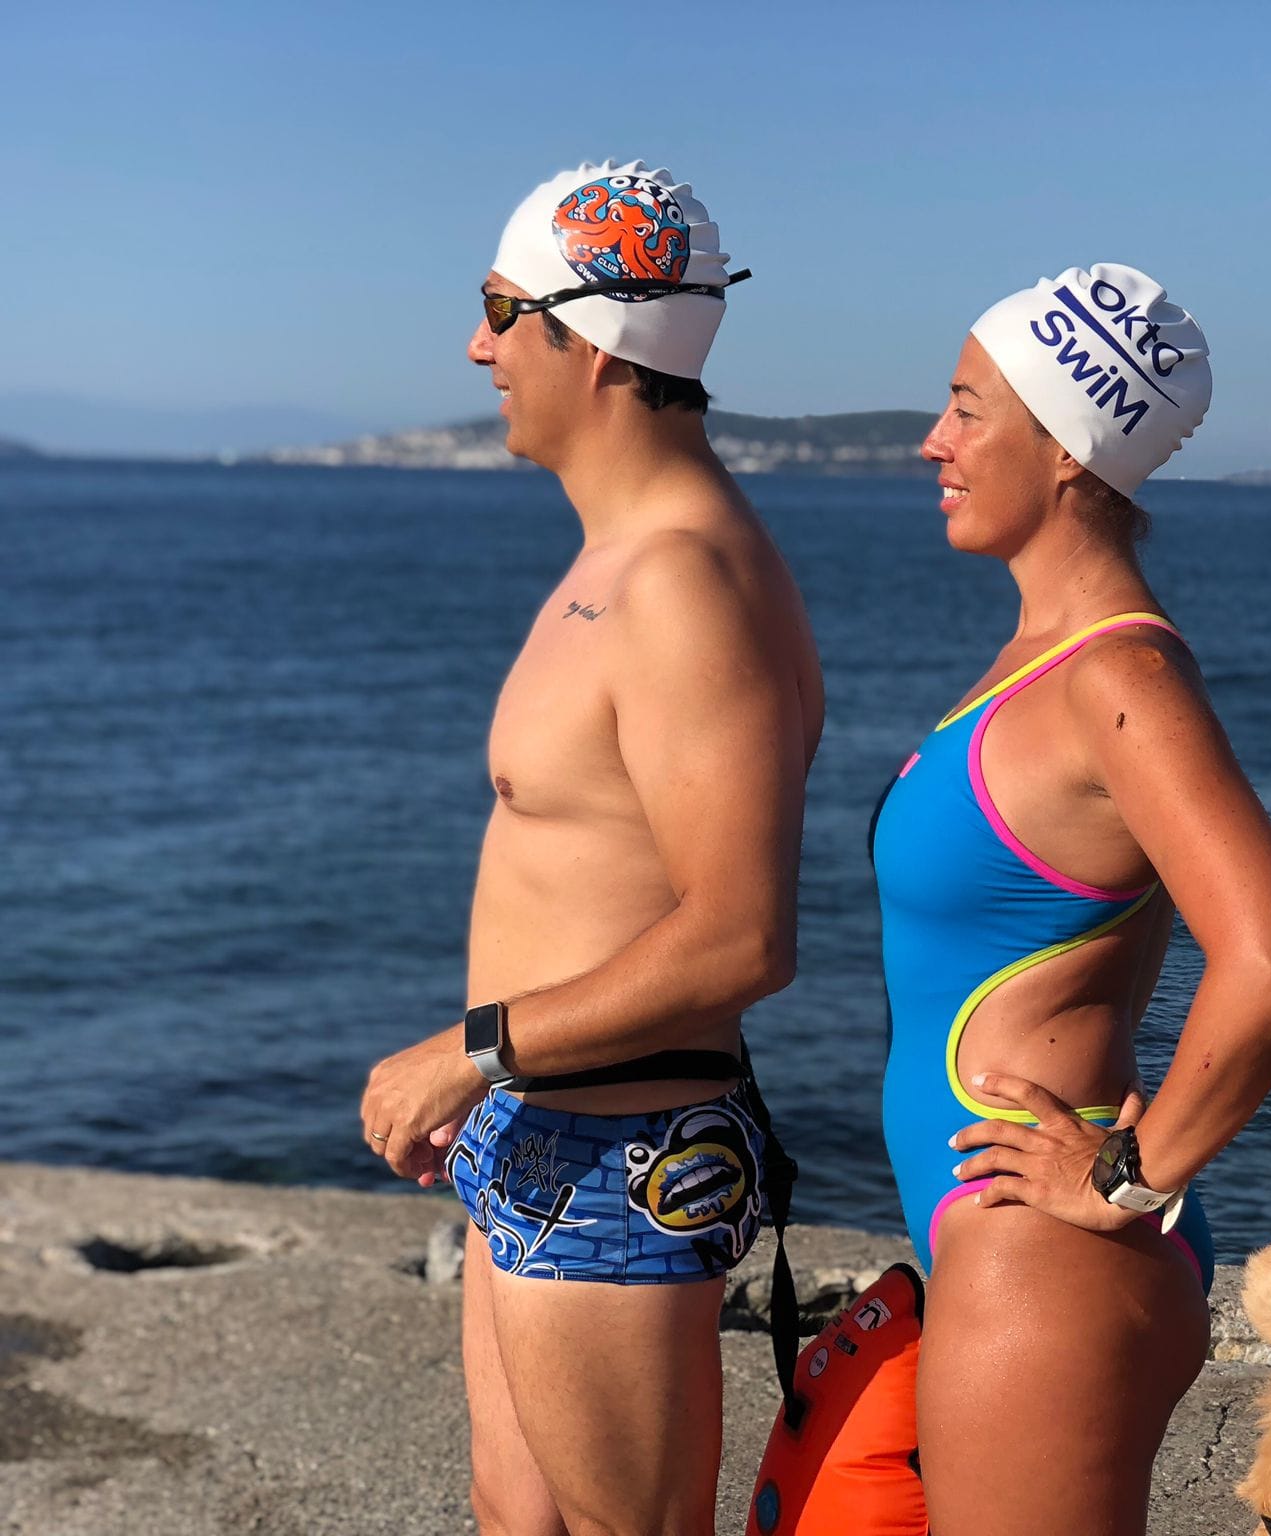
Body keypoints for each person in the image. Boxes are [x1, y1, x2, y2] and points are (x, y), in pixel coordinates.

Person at [358, 160, 823, 1536]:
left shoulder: (680, 582)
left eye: (502, 310)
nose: (477, 346)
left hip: (617, 1144)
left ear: (598, 343)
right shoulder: (622, 556)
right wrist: (493, 1081)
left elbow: (743, 935)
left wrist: (470, 1050)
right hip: (537, 1119)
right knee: (517, 1516)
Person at [869, 263, 1271, 1536]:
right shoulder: (1041, 660)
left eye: (966, 410)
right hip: (1001, 1226)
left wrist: (1127, 1177)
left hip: (1044, 1249)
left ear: (1067, 449)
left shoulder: (1115, 676)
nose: (932, 441)